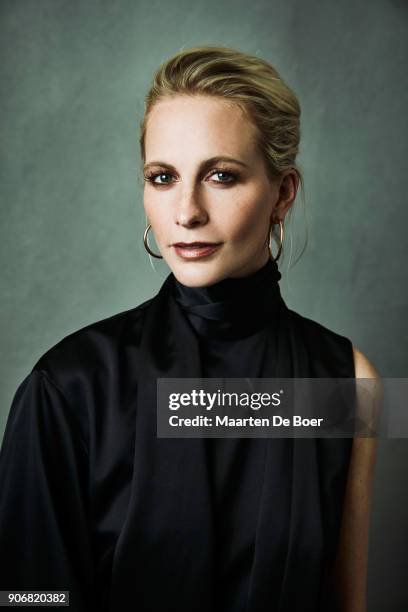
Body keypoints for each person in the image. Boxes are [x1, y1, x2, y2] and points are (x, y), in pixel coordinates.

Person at [0, 45, 379, 612]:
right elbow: (27, 596)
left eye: (221, 175)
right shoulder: (69, 385)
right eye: (163, 177)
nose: (186, 211)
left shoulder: (347, 381)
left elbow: (346, 599)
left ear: (283, 194)